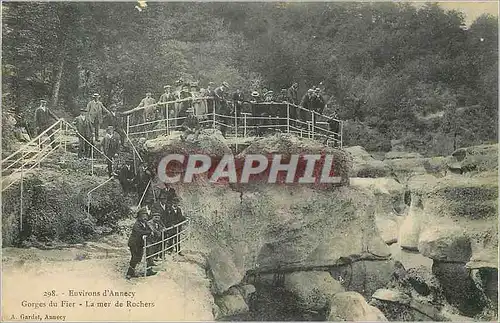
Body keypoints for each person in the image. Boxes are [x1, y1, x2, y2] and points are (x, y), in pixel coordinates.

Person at [126, 208, 157, 279]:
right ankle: (129, 273)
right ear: (139, 216)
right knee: (135, 257)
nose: (145, 217)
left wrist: (151, 231)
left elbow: (149, 229)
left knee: (140, 257)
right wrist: (149, 232)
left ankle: (147, 270)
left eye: (146, 215)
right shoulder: (136, 224)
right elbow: (140, 232)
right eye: (143, 215)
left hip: (140, 243)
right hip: (134, 243)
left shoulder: (145, 223)